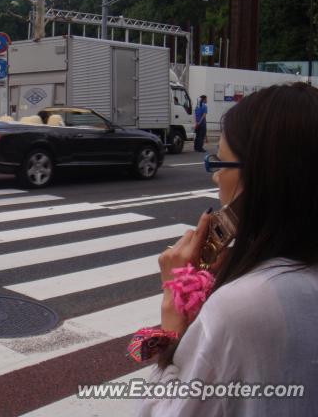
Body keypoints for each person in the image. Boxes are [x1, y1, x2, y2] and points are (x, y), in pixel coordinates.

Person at [133, 83, 318, 415]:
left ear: (260, 181)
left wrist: (172, 316)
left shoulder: (243, 308)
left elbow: (160, 404)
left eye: (221, 163)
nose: (216, 178)